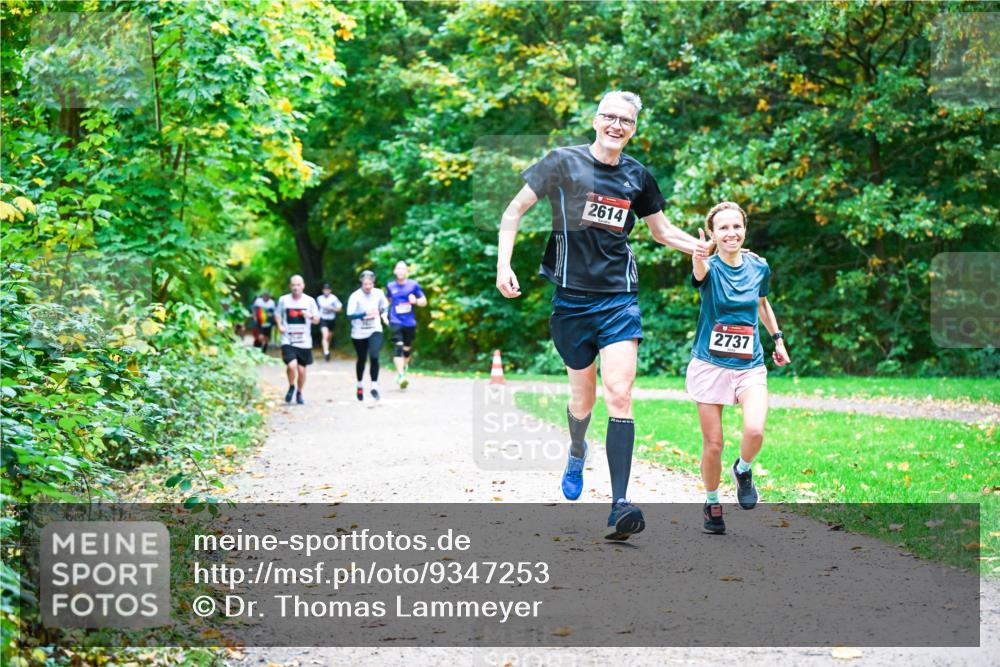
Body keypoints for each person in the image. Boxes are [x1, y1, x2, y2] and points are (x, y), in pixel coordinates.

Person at [496, 90, 711, 540]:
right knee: (583, 400)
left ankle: (620, 504)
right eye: (610, 117)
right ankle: (577, 447)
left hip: (618, 297)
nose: (617, 125)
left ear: (633, 129)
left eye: (626, 121)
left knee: (619, 394)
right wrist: (504, 265)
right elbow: (513, 211)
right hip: (571, 300)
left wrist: (704, 247)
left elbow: (661, 230)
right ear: (596, 120)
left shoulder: (638, 177)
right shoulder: (562, 161)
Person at [687, 201, 790, 535]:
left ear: (744, 230)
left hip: (749, 364)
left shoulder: (759, 267)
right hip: (709, 365)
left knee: (755, 429)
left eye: (736, 227)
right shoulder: (709, 266)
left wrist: (777, 338)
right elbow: (698, 272)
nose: (731, 233)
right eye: (723, 228)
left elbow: (761, 303)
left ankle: (743, 469)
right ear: (713, 234)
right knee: (713, 444)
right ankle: (712, 501)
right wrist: (698, 255)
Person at [275, 275, 320, 405]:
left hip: (304, 341)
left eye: (298, 285)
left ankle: (299, 392)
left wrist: (310, 316)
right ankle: (291, 386)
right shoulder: (283, 300)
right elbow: (278, 315)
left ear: (303, 285)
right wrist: (280, 326)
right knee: (291, 365)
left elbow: (317, 320)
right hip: (288, 339)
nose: (296, 287)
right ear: (290, 286)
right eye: (293, 285)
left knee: (301, 370)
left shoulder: (309, 301)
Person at [347, 270, 389, 402]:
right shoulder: (355, 296)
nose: (368, 287)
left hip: (374, 329)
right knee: (361, 359)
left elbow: (385, 307)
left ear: (373, 282)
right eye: (365, 284)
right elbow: (349, 315)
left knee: (375, 355)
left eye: (370, 284)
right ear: (361, 283)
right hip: (359, 333)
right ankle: (359, 384)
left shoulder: (378, 293)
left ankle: (374, 386)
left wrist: (383, 314)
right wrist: (364, 314)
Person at [385, 261, 427, 389]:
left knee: (407, 348)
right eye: (398, 268)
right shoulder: (390, 285)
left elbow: (424, 302)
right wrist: (383, 314)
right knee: (398, 346)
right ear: (394, 271)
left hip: (409, 322)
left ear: (407, 272)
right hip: (395, 320)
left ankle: (404, 367)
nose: (401, 271)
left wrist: (416, 301)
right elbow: (388, 301)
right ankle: (401, 375)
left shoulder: (413, 285)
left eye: (403, 269)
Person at [317, 283, 343, 361]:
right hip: (323, 319)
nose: (326, 291)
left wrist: (332, 309)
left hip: (331, 319)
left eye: (328, 290)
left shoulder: (334, 298)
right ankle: (326, 352)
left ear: (330, 290)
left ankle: (326, 348)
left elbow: (340, 309)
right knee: (325, 335)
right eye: (325, 290)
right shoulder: (319, 298)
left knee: (329, 337)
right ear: (323, 291)